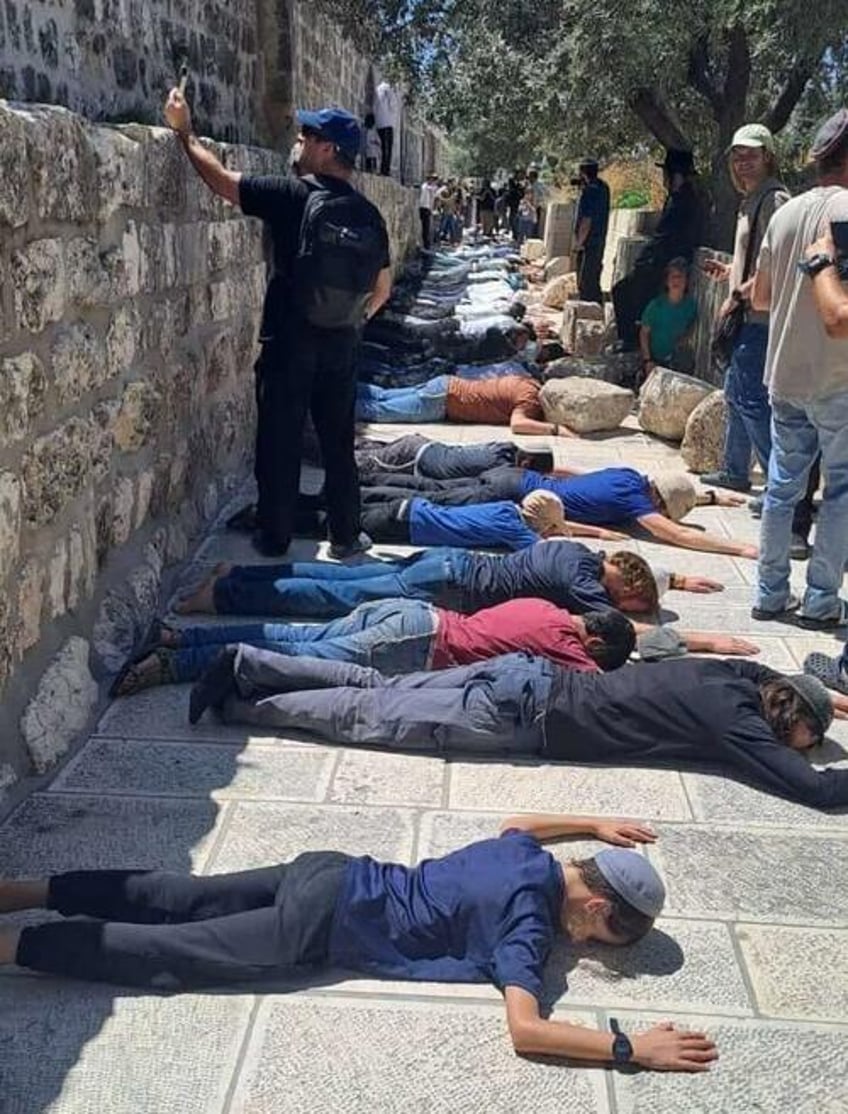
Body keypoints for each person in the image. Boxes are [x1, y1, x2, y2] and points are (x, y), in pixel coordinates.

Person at [0, 814, 724, 1073]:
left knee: (180, 894)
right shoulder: (529, 926)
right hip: (316, 928)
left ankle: (28, 888)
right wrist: (630, 1048)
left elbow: (521, 820)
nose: (589, 948)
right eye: (599, 935)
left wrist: (593, 825)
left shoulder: (525, 858)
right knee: (171, 953)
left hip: (330, 869)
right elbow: (527, 1031)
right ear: (595, 903)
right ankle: (13, 951)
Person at [162, 90, 392, 559]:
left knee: (280, 439)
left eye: (307, 136)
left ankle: (275, 534)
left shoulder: (291, 196)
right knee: (336, 440)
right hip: (343, 346)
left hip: (290, 340)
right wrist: (349, 320)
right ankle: (347, 534)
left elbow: (224, 183)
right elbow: (382, 288)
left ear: (327, 149)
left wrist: (185, 135)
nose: (299, 141)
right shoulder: (371, 215)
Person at [192, 648, 848, 811]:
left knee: (379, 686)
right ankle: (243, 706)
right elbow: (814, 790)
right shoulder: (737, 722)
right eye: (808, 737)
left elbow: (764, 667)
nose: (805, 748)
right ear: (790, 718)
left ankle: (248, 663)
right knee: (375, 718)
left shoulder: (732, 677)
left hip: (529, 674)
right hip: (525, 719)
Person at [750, 108, 848, 627]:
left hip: (784, 374)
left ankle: (769, 593)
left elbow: (761, 298)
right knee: (841, 490)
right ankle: (821, 599)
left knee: (781, 487)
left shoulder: (786, 213)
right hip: (838, 378)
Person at [111, 599, 637, 693]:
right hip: (415, 644)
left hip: (408, 614)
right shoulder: (566, 641)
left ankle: (178, 635)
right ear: (592, 639)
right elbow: (596, 684)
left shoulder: (548, 608)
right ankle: (173, 665)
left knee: (290, 636)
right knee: (297, 657)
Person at [174, 540, 662, 619]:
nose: (618, 604)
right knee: (334, 597)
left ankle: (237, 572)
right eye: (627, 599)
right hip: (451, 586)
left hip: (449, 564)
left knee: (344, 576)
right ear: (625, 585)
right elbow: (614, 623)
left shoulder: (574, 549)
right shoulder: (584, 577)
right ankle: (220, 595)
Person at [357, 464, 758, 559]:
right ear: (659, 505)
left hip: (518, 478)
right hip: (517, 501)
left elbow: (572, 473)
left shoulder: (629, 476)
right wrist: (739, 550)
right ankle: (354, 502)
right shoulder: (638, 504)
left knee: (433, 490)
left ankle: (360, 485)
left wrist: (710, 499)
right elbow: (679, 536)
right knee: (435, 503)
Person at [701, 125, 791, 495]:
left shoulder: (774, 200)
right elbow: (756, 259)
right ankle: (734, 470)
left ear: (768, 156)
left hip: (760, 318)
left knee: (750, 398)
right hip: (746, 312)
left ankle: (778, 486)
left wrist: (739, 295)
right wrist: (730, 274)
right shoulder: (751, 200)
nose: (743, 164)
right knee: (736, 396)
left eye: (751, 155)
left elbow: (779, 262)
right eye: (737, 157)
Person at [612, 149, 706, 351]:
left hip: (663, 262)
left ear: (674, 175)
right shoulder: (684, 197)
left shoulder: (681, 201)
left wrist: (645, 260)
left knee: (621, 291)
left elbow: (666, 236)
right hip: (666, 260)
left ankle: (630, 343)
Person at [355, 372, 579, 437]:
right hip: (442, 402)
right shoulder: (529, 401)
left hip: (445, 384)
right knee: (379, 411)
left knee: (383, 396)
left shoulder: (528, 382)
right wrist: (556, 430)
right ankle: (324, 404)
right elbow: (518, 425)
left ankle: (338, 385)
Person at [638, 258, 698, 381]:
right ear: (667, 281)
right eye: (672, 277)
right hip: (653, 358)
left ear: (686, 281)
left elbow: (693, 323)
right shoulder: (656, 305)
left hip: (675, 358)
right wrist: (647, 361)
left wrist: (685, 338)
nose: (676, 281)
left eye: (680, 277)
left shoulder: (690, 306)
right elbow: (644, 333)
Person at [573, 158, 611, 304]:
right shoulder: (604, 187)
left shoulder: (589, 191)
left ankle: (587, 313)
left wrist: (578, 243)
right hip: (600, 238)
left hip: (588, 242)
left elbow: (586, 221)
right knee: (594, 277)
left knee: (585, 281)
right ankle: (596, 307)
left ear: (583, 173)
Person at [374, 79, 400, 176]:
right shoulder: (389, 89)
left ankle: (381, 169)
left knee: (381, 148)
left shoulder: (378, 88)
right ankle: (385, 170)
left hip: (379, 122)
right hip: (388, 122)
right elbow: (393, 105)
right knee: (387, 148)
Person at [418, 173, 440, 248]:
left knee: (427, 228)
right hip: (424, 208)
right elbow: (433, 191)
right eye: (433, 179)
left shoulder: (429, 187)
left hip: (427, 209)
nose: (434, 181)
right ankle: (426, 245)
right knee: (425, 228)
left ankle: (427, 244)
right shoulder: (426, 187)